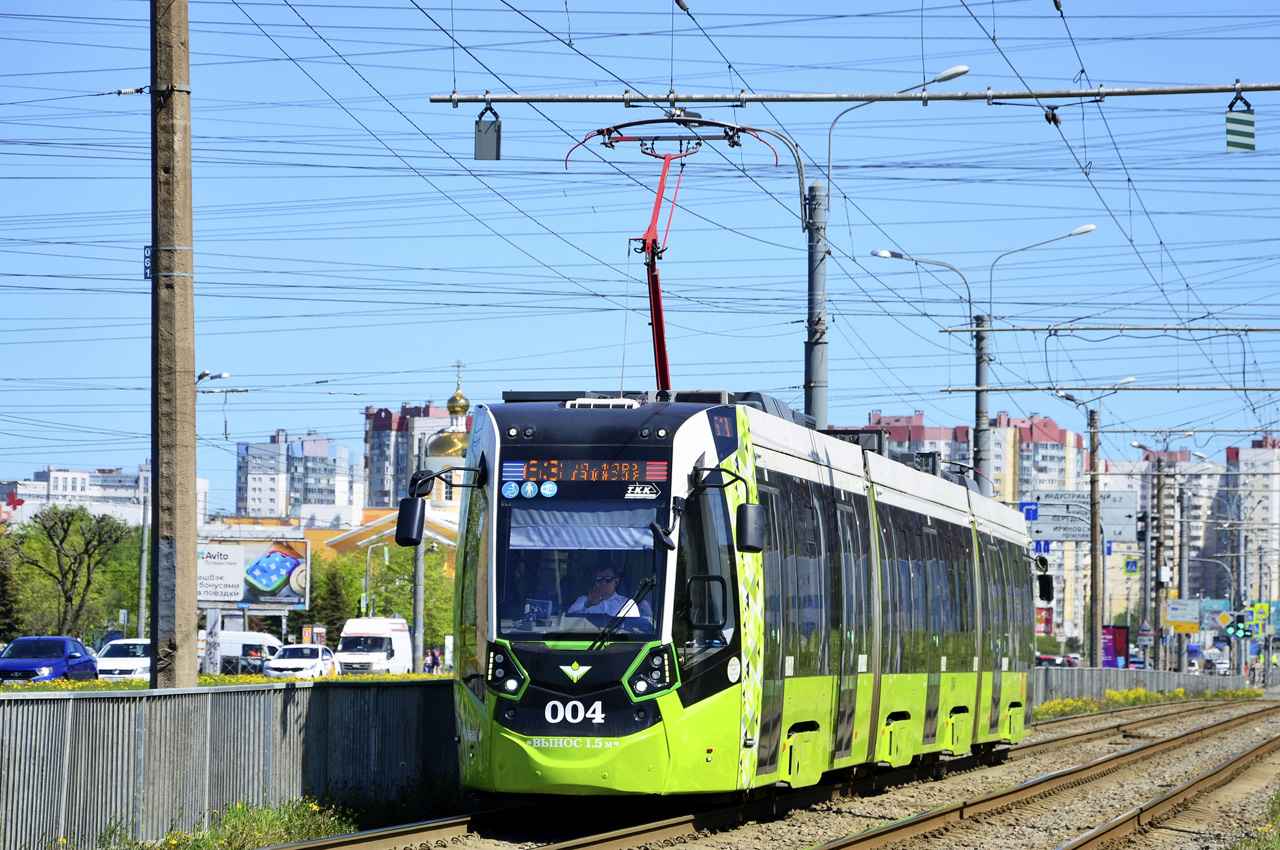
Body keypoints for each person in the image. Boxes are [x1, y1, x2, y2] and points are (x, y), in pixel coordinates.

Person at [567, 566, 641, 616]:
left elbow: (636, 628)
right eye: (599, 579)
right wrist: (587, 605)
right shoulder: (584, 600)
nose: (603, 583)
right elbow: (569, 617)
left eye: (608, 579)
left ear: (616, 581)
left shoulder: (628, 604)